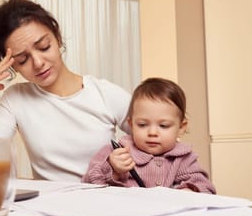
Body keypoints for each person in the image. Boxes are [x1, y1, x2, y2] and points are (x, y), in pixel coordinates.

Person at [0, 0, 131, 181]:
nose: (38, 63)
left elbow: (160, 141)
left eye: (43, 47)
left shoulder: (105, 94)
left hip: (106, 205)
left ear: (57, 36)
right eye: (23, 60)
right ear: (11, 65)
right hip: (50, 207)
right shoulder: (16, 99)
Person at [82, 77, 216, 193]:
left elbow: (205, 188)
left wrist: (189, 191)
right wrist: (112, 169)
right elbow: (88, 185)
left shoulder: (184, 158)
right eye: (142, 124)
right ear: (131, 124)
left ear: (181, 127)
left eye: (163, 126)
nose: (152, 133)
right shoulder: (117, 152)